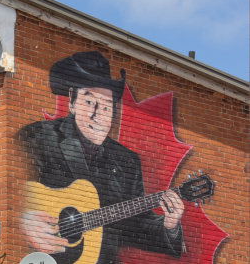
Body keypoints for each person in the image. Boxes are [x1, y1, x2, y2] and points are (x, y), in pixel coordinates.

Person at [17, 51, 184, 263]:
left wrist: (169, 226)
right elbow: (5, 189)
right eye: (89, 102)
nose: (98, 115)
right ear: (72, 102)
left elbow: (136, 225)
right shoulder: (36, 138)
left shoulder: (127, 161)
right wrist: (22, 219)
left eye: (106, 107)